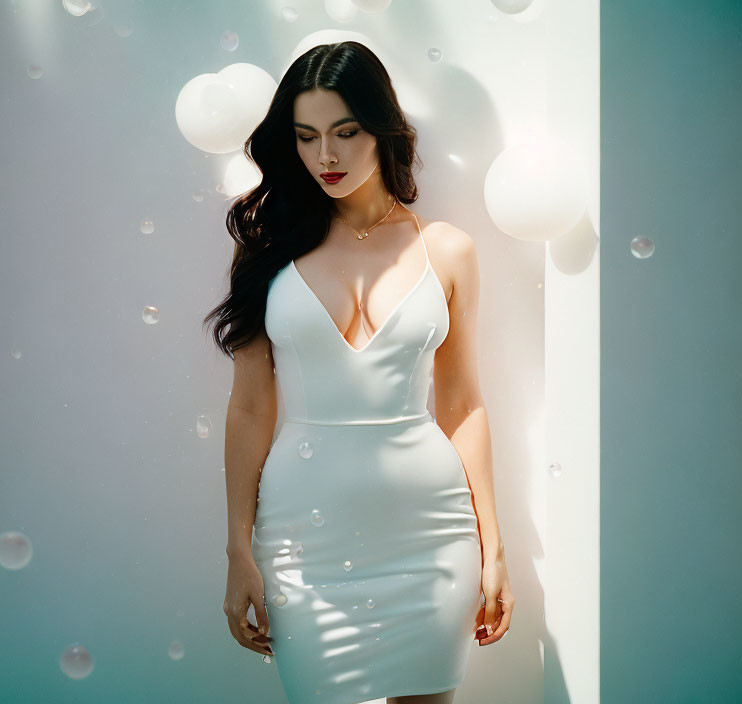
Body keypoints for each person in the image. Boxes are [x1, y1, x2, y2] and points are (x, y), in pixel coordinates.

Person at [204, 41, 514, 704]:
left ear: (384, 129)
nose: (327, 157)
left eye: (346, 133)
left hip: (430, 539)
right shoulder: (266, 247)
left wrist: (494, 548)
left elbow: (461, 404)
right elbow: (251, 409)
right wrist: (237, 550)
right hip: (303, 541)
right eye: (308, 136)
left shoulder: (447, 251)